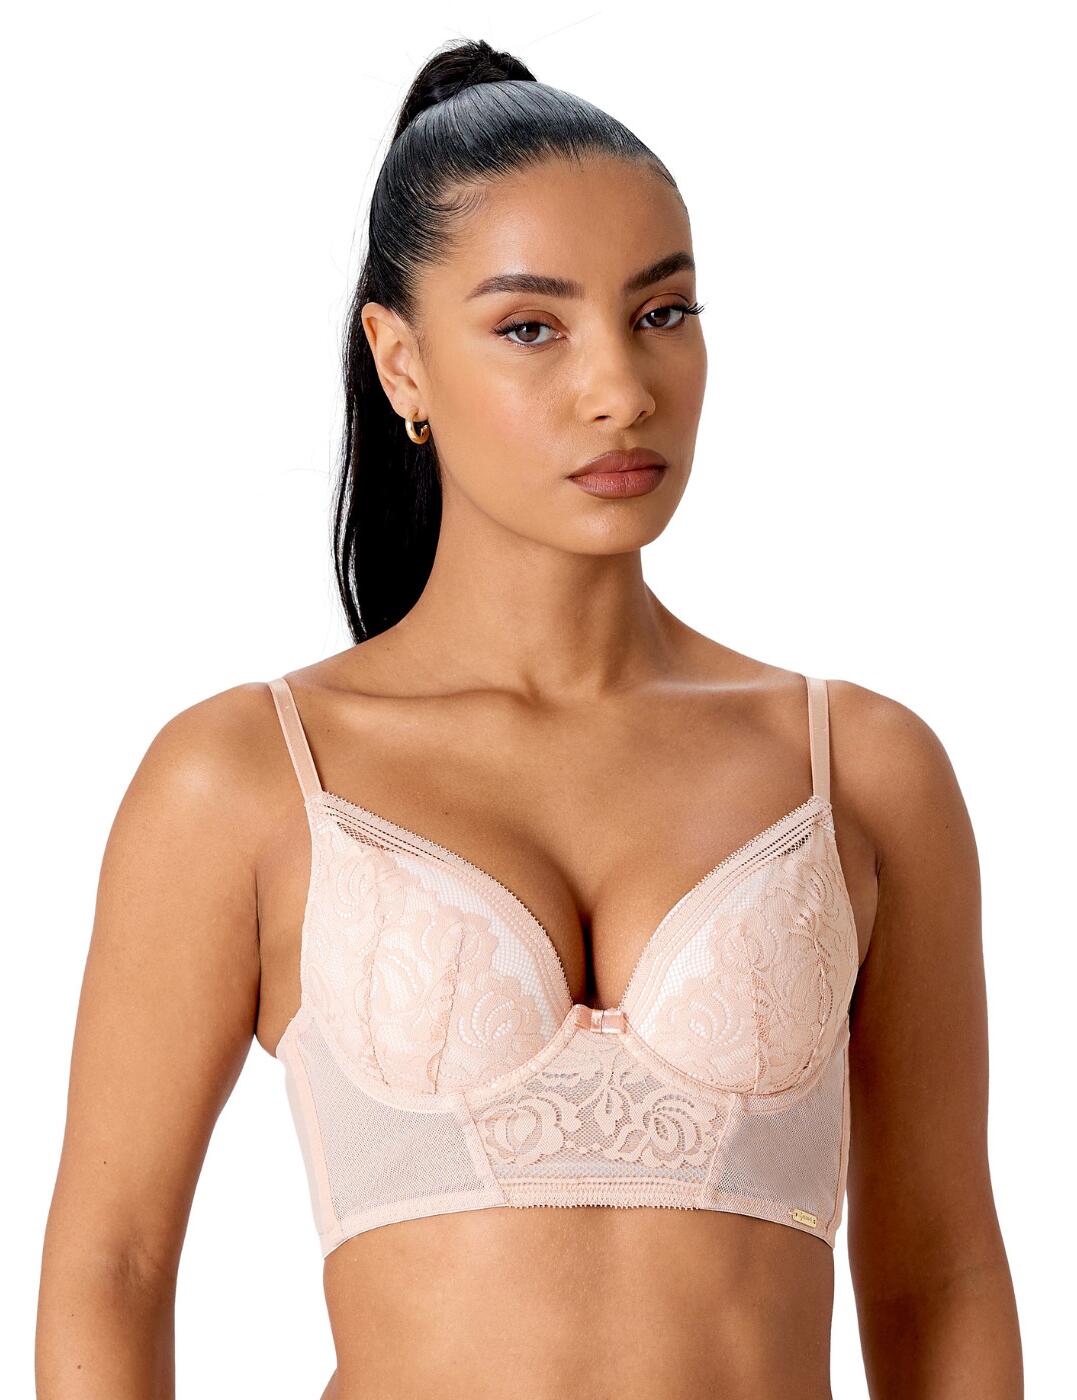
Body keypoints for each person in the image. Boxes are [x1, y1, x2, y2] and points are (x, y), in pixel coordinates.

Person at [36, 37, 1022, 1400]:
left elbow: (937, 1274)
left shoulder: (856, 768)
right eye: (529, 328)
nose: (621, 388)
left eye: (662, 312)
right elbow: (114, 1266)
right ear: (400, 362)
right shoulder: (246, 779)